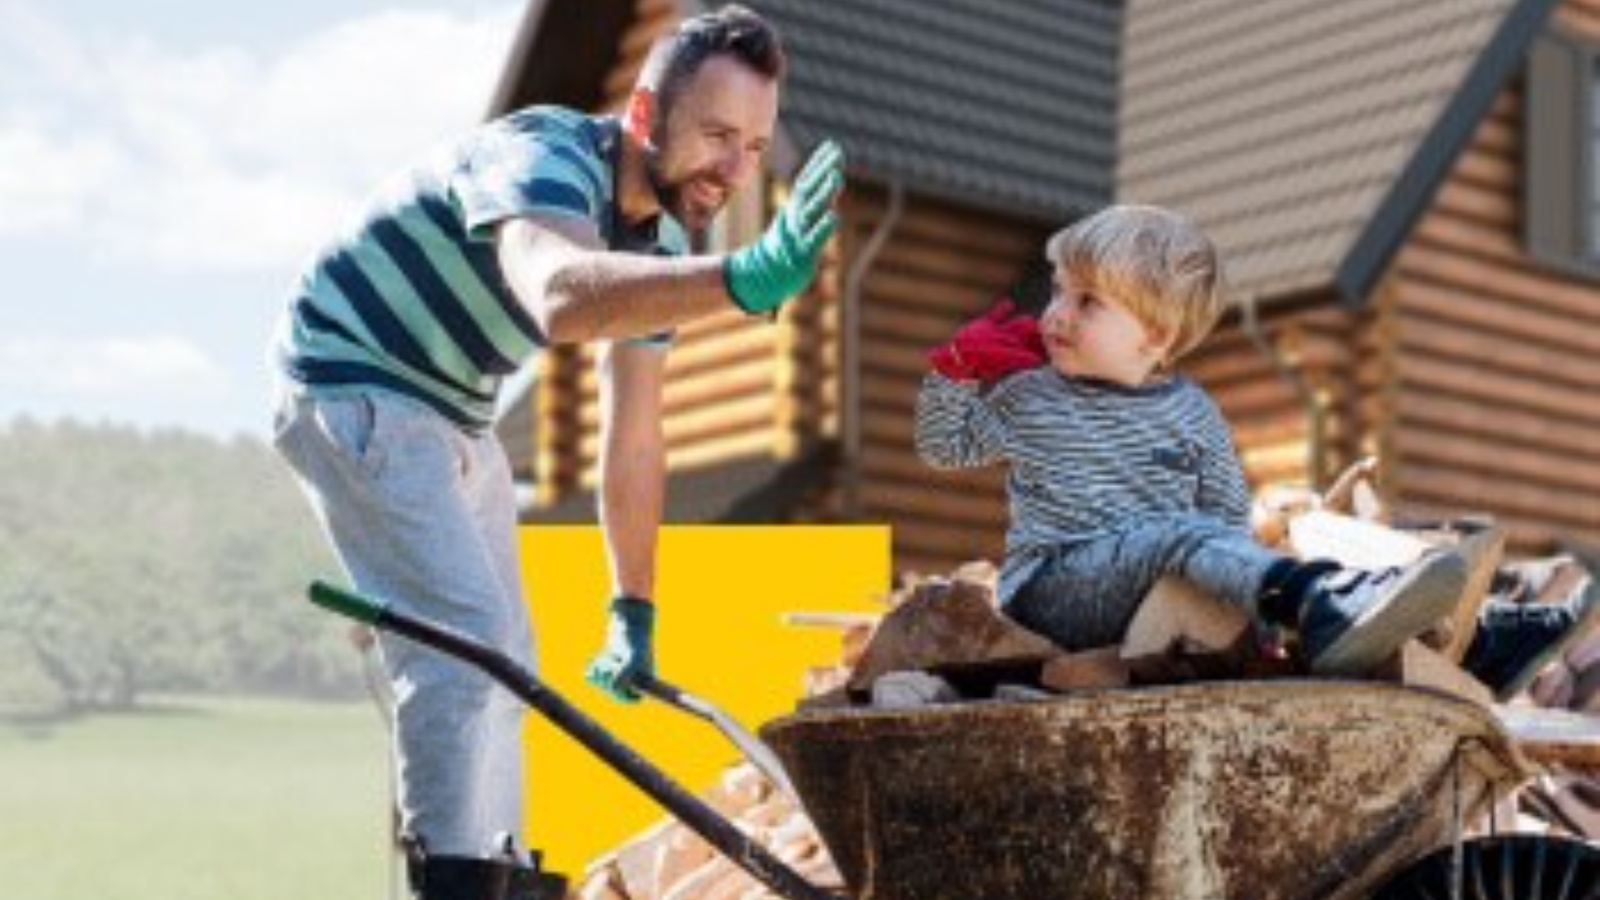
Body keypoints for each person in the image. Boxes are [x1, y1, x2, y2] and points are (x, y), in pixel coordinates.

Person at [269, 7, 843, 899]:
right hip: (355, 381)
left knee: (514, 664)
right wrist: (741, 279)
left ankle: (497, 866)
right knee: (469, 644)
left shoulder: (658, 242)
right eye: (719, 136)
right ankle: (454, 881)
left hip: (455, 409)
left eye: (755, 146)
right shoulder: (544, 156)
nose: (736, 171)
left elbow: (636, 432)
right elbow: (560, 296)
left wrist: (633, 608)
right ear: (647, 117)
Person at [914, 205, 1468, 673]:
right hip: (1051, 591)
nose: (1056, 314)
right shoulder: (1032, 396)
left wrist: (1239, 608)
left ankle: (1469, 638)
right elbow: (945, 446)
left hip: (1155, 594)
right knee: (1177, 534)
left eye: (1087, 302)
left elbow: (1227, 518)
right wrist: (955, 372)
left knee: (1193, 536)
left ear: (1155, 335)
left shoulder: (1192, 411)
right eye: (1058, 292)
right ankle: (1320, 605)